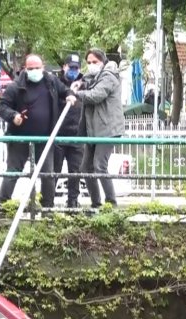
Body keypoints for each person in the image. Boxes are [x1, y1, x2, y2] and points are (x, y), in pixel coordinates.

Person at [0, 54, 77, 208]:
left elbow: (65, 90)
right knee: (13, 172)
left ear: (43, 67)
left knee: (47, 174)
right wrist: (13, 116)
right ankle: (3, 204)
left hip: (44, 139)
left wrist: (70, 95)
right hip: (19, 138)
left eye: (37, 68)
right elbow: (2, 106)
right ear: (25, 69)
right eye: (31, 68)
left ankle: (47, 207)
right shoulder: (15, 86)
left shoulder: (51, 81)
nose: (34, 71)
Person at [72, 49, 125, 207]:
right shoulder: (94, 77)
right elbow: (88, 81)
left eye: (95, 62)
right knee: (86, 167)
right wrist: (80, 83)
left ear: (103, 62)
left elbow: (96, 95)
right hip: (93, 130)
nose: (91, 65)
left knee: (99, 166)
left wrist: (76, 94)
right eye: (88, 62)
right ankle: (96, 203)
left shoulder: (108, 77)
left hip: (108, 130)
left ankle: (111, 204)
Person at [55, 54, 86, 208]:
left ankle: (73, 203)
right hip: (58, 135)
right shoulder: (56, 83)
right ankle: (47, 202)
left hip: (77, 136)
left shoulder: (84, 84)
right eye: (70, 67)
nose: (73, 70)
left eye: (76, 67)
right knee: (53, 171)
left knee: (75, 172)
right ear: (64, 67)